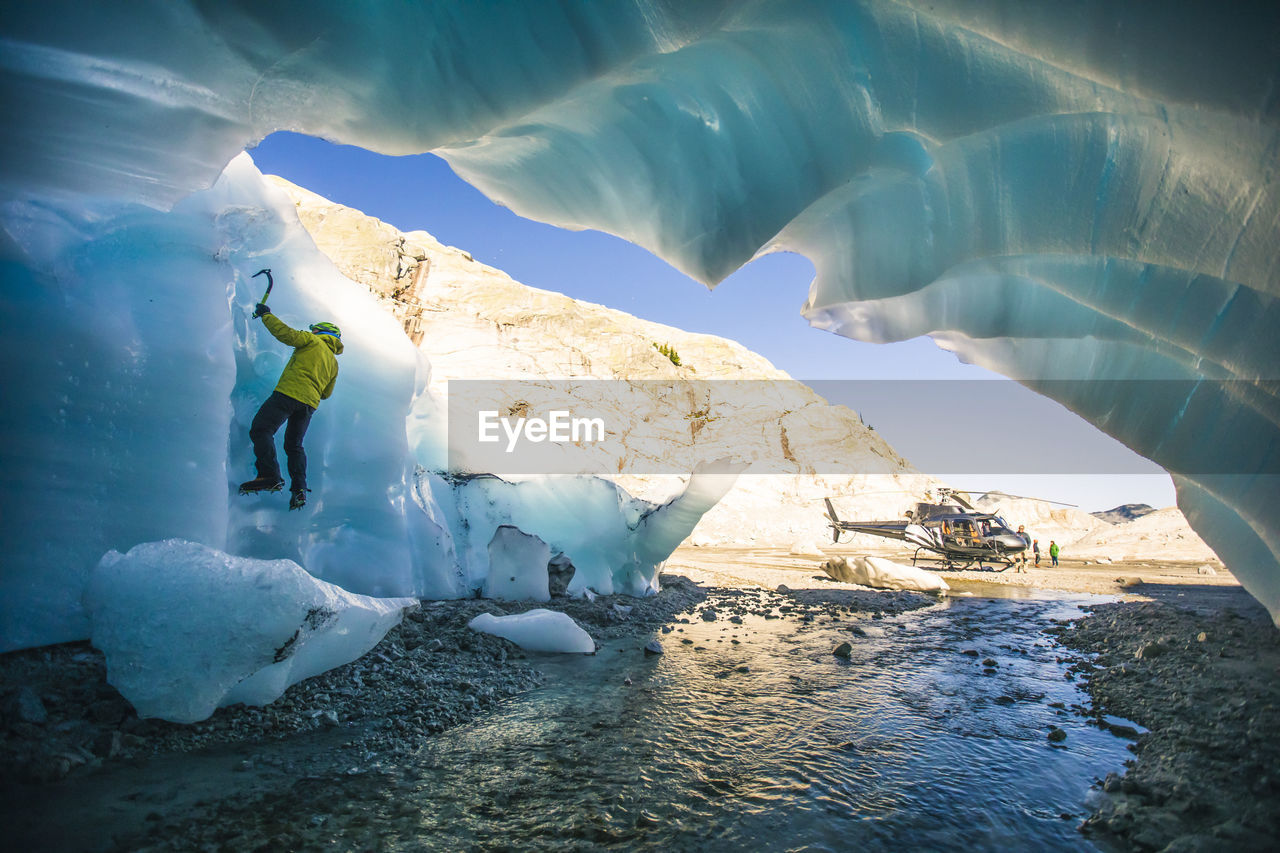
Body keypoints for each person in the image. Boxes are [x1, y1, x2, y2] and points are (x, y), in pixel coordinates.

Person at [238, 301, 343, 510]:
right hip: (308, 406)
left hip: (289, 393)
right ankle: (299, 489)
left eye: (314, 329)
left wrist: (266, 315)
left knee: (262, 429)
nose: (311, 331)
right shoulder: (333, 363)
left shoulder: (312, 340)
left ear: (321, 331)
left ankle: (269, 475)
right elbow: (326, 394)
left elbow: (286, 334)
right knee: (294, 446)